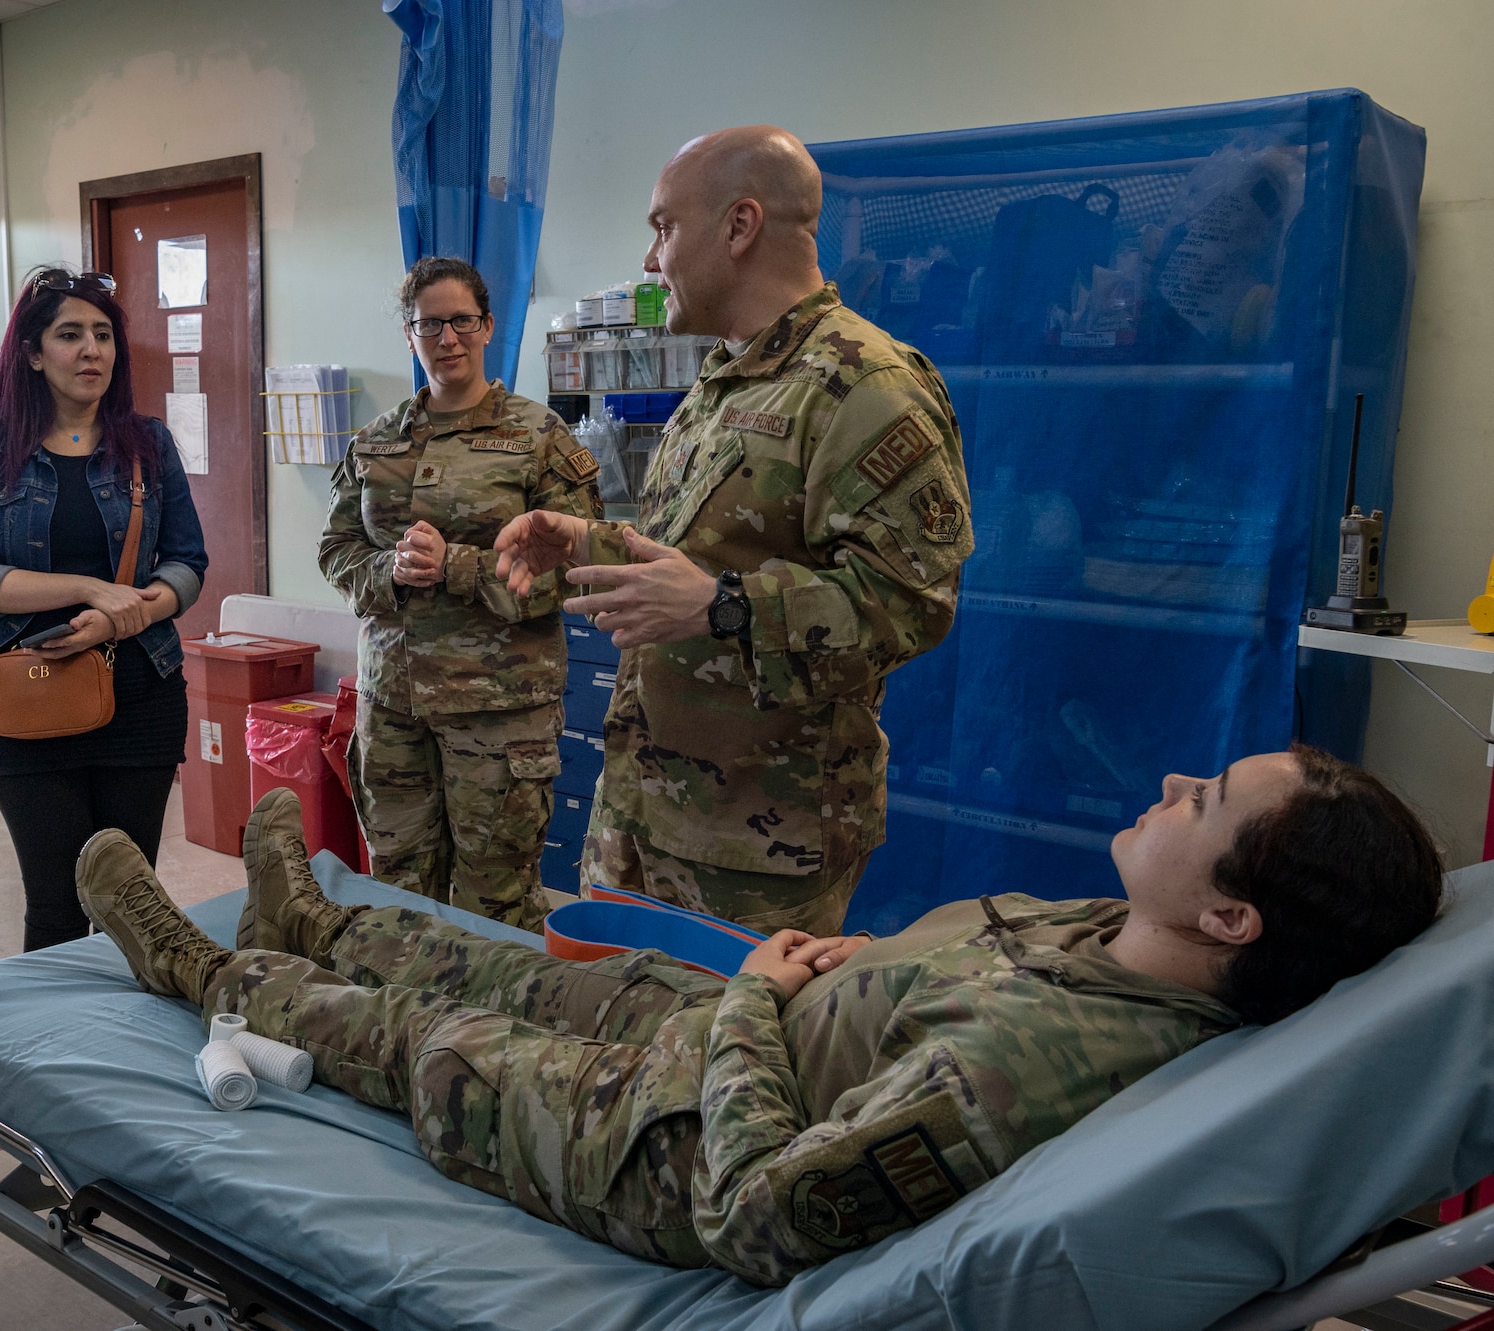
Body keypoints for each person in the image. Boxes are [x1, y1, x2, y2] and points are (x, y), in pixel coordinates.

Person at [74, 746, 1442, 1285]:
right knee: (506, 961)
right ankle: (315, 919)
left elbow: (760, 1214)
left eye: (1207, 803)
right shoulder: (1127, 935)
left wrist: (749, 1010)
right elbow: (971, 967)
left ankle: (208, 976)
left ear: (1234, 918)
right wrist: (859, 966)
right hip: (758, 1028)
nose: (1176, 776)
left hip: (683, 1138)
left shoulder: (1021, 1074)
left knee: (443, 1042)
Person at [492, 126, 973, 937]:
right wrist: (585, 541)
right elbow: (696, 560)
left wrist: (729, 607)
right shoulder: (724, 378)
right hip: (643, 805)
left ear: (740, 226)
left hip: (757, 844)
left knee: (728, 1056)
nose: (652, 260)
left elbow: (911, 603)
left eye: (663, 228)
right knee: (618, 1040)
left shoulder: (866, 386)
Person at [315, 257, 602, 931]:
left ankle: (495, 1033)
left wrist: (458, 567)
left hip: (498, 714)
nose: (448, 339)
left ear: (488, 326)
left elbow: (573, 567)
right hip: (394, 707)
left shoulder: (538, 437)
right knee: (398, 890)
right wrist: (388, 569)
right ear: (409, 333)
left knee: (495, 901)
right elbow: (335, 548)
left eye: (462, 322)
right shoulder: (377, 441)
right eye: (430, 324)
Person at [0, 266, 208, 952]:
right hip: (24, 701)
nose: (92, 350)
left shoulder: (147, 442)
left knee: (129, 906)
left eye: (102, 334)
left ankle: (123, 1048)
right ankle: (53, 1055)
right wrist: (89, 591)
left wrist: (128, 615)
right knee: (57, 905)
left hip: (141, 693)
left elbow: (187, 564)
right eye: (70, 335)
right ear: (32, 352)